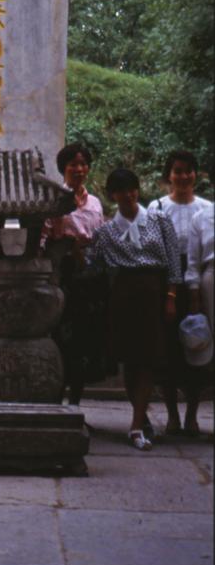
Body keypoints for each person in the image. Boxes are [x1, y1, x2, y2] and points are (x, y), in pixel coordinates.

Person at [86, 168, 182, 451]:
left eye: (132, 189)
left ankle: (137, 425)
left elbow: (174, 262)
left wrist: (171, 296)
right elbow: (96, 266)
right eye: (121, 191)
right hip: (123, 295)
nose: (128, 195)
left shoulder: (159, 220)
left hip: (152, 291)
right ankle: (140, 418)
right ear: (112, 195)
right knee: (129, 358)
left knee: (149, 357)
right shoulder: (105, 231)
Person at [148, 150, 211, 437]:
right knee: (168, 350)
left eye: (188, 171)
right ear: (168, 175)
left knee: (198, 346)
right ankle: (172, 415)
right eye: (177, 171)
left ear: (196, 174)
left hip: (197, 286)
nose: (183, 176)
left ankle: (192, 415)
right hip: (165, 285)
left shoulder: (207, 209)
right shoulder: (157, 208)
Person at [42, 143, 106, 404]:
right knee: (59, 338)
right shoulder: (54, 200)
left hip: (90, 275)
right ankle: (55, 400)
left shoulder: (95, 203)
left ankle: (76, 402)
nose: (79, 169)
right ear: (63, 169)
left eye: (82, 164)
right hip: (63, 273)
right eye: (73, 165)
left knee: (85, 339)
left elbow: (100, 237)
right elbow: (43, 237)